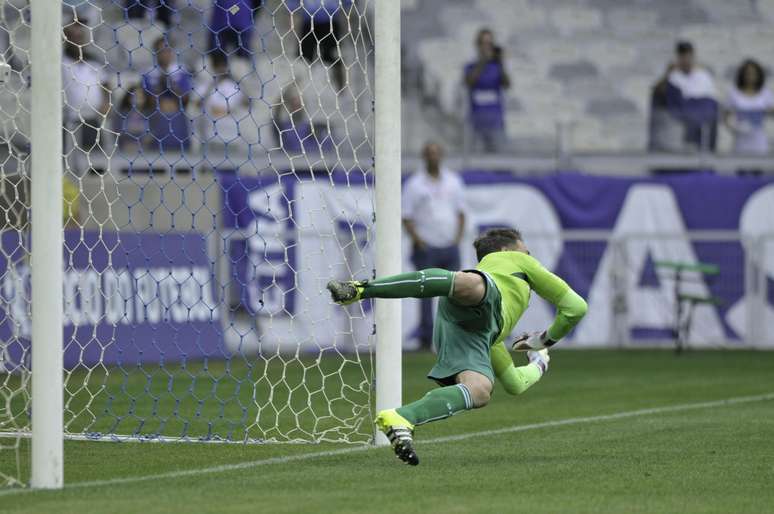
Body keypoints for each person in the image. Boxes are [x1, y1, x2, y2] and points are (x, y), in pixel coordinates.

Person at [327, 228, 588, 465]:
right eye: (526, 250)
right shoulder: (515, 262)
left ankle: (401, 418)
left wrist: (539, 361)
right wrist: (542, 342)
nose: (529, 255)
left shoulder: (495, 336)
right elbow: (576, 307)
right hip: (481, 298)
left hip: (472, 331)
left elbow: (515, 384)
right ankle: (360, 289)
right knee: (471, 284)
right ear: (506, 251)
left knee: (480, 391)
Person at [401, 142, 465, 350]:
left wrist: (457, 238)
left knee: (455, 293)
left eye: (436, 153)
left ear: (442, 155)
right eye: (429, 153)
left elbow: (461, 212)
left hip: (449, 244)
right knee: (426, 293)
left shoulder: (454, 181)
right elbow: (407, 216)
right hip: (426, 246)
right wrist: (418, 240)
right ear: (423, 157)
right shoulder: (415, 184)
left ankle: (452, 335)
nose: (433, 157)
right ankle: (426, 337)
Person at [651, 41, 718, 151]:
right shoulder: (672, 76)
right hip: (678, 124)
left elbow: (711, 103)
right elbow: (658, 94)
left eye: (688, 56)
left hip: (700, 125)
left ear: (693, 56)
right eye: (682, 57)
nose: (686, 60)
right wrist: (667, 73)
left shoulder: (703, 76)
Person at [286, 0, 351, 92]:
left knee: (333, 56)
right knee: (303, 58)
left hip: (331, 20)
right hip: (308, 20)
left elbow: (348, 4)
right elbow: (292, 4)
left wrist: (348, 13)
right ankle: (295, 92)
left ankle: (341, 89)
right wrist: (291, 12)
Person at [463, 29, 510, 153]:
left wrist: (501, 63)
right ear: (478, 45)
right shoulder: (471, 66)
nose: (487, 47)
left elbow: (506, 84)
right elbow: (469, 82)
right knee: (476, 163)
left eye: (490, 44)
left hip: (496, 123)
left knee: (501, 160)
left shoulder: (496, 67)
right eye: (483, 43)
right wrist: (483, 61)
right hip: (476, 123)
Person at [724, 59, 774, 155]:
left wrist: (765, 111)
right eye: (747, 73)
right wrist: (735, 127)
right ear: (742, 75)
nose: (750, 76)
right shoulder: (734, 94)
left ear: (758, 75)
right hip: (740, 138)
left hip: (758, 139)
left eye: (753, 73)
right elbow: (726, 117)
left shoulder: (765, 93)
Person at [142, 37, 192, 108]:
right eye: (162, 51)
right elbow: (149, 102)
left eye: (168, 51)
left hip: (178, 111)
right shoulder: (148, 73)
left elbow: (185, 99)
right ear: (155, 53)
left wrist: (170, 83)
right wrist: (160, 83)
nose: (165, 54)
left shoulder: (181, 71)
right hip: (156, 112)